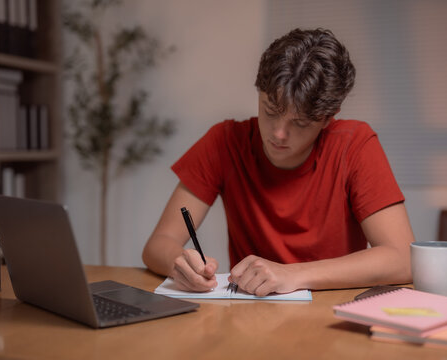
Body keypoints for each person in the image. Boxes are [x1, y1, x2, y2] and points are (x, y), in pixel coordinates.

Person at [142, 28, 415, 296]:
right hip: (252, 314)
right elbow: (158, 245)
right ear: (259, 92)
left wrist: (293, 274)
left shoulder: (354, 145)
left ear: (329, 118)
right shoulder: (224, 142)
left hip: (332, 313)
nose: (278, 133)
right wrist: (180, 265)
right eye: (270, 111)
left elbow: (404, 258)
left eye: (300, 123)